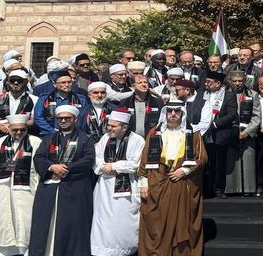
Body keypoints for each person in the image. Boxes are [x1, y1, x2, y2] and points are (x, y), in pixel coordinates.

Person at [137, 100, 208, 256]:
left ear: (182, 113)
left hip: (183, 184)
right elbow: (144, 161)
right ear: (165, 113)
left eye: (177, 111)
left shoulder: (193, 133)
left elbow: (201, 158)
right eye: (170, 111)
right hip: (157, 184)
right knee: (155, 222)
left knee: (183, 222)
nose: (173, 114)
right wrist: (143, 183)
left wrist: (184, 170)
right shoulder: (154, 133)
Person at [29, 105, 96, 256]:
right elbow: (39, 157)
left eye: (67, 118)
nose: (64, 121)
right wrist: (52, 166)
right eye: (60, 118)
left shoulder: (86, 139)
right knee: (45, 224)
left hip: (74, 188)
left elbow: (88, 160)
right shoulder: (48, 138)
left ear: (75, 119)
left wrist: (66, 169)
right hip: (50, 189)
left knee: (72, 226)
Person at [0, 114, 42, 256]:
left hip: (27, 189)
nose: (18, 133)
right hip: (2, 189)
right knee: (1, 222)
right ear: (9, 128)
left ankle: (25, 251)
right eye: (15, 130)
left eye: (22, 130)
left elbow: (39, 167)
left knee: (25, 222)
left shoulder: (35, 142)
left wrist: (40, 189)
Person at [90, 108, 146, 256]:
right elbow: (97, 159)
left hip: (127, 186)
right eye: (109, 125)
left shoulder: (137, 140)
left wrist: (114, 166)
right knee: (103, 220)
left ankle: (124, 250)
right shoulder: (105, 138)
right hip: (105, 187)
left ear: (125, 127)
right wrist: (104, 167)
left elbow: (136, 164)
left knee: (123, 220)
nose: (109, 128)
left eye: (113, 126)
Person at [203, 70, 237, 198]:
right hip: (204, 133)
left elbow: (231, 114)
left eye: (209, 82)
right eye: (206, 82)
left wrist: (216, 124)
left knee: (219, 163)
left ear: (218, 83)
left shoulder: (229, 96)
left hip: (220, 133)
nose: (206, 84)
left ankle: (218, 188)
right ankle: (207, 188)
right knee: (206, 162)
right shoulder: (202, 94)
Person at [33, 71, 89, 135]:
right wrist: (53, 132)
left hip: (74, 134)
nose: (67, 85)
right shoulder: (44, 98)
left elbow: (84, 118)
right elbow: (38, 117)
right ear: (54, 84)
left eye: (69, 82)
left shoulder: (81, 99)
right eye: (63, 83)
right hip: (49, 134)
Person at [0, 69, 37, 135]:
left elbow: (34, 120)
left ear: (26, 82)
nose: (15, 83)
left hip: (23, 133)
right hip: (0, 133)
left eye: (19, 80)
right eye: (12, 80)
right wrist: (2, 127)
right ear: (8, 82)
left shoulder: (34, 99)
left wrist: (14, 127)